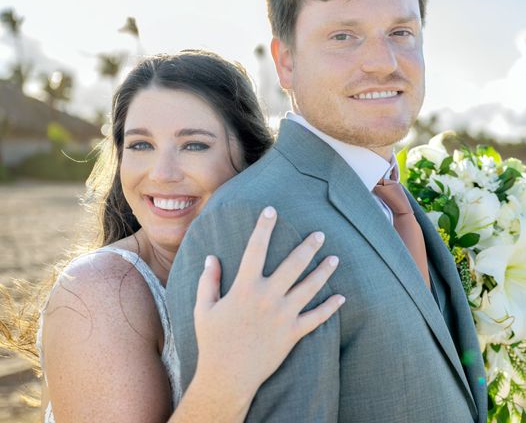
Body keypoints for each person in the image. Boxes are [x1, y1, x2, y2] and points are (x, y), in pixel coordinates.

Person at [167, 0, 488, 422]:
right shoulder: (258, 222)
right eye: (343, 36)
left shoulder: (390, 196)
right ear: (286, 63)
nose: (384, 63)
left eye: (401, 32)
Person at [34, 50, 345, 422]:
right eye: (140, 145)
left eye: (194, 145)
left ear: (250, 158)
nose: (162, 173)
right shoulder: (96, 290)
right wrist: (230, 374)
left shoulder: (270, 273)